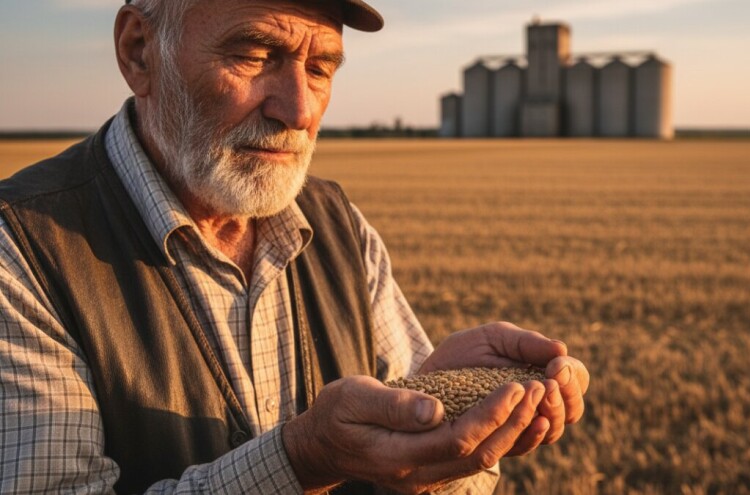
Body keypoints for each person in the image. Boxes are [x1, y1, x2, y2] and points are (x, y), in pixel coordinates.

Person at [0, 0, 590, 493]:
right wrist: (303, 459)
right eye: (255, 55)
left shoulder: (338, 224)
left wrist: (448, 433)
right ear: (138, 51)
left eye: (322, 68)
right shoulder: (23, 244)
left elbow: (423, 452)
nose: (299, 109)